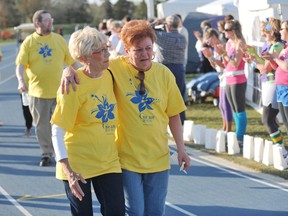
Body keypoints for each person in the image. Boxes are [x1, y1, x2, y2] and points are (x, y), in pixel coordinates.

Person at [62, 20, 191, 215]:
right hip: (126, 159)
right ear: (127, 50)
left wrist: (181, 148)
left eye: (149, 48)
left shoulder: (164, 74)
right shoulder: (114, 68)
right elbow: (89, 65)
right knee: (135, 212)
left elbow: (173, 113)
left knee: (155, 212)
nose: (145, 54)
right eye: (138, 50)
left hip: (158, 158)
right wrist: (68, 69)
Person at [50, 26, 125, 216]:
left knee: (116, 211)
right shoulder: (72, 85)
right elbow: (57, 131)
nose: (108, 54)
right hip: (77, 165)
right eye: (101, 51)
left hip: (108, 161)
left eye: (107, 48)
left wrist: (67, 68)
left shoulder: (110, 73)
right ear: (85, 57)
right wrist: (68, 171)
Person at [15, 10, 77, 167]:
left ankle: (60, 154)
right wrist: (21, 81)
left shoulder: (59, 40)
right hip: (37, 93)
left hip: (60, 92)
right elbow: (20, 66)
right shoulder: (29, 42)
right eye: (47, 20)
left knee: (60, 125)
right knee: (42, 126)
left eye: (51, 19)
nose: (51, 22)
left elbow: (72, 62)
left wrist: (83, 76)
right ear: (38, 23)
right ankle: (46, 153)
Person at [245, 18, 286, 156]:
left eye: (266, 31)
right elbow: (264, 66)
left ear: (273, 32)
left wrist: (254, 56)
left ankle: (281, 150)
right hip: (271, 84)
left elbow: (264, 69)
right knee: (270, 119)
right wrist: (253, 59)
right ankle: (281, 148)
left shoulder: (277, 46)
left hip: (274, 83)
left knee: (268, 119)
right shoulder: (274, 46)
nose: (263, 34)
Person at [215, 19, 247, 147]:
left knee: (239, 108)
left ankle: (240, 137)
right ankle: (236, 136)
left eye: (227, 29)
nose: (224, 32)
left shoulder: (240, 43)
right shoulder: (228, 43)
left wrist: (223, 53)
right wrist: (220, 55)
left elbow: (236, 63)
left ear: (234, 31)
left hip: (238, 79)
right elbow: (226, 63)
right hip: (228, 77)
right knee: (233, 108)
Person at [152, 14, 187, 125]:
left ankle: (165, 122)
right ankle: (181, 123)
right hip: (179, 68)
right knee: (179, 98)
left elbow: (147, 29)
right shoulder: (182, 38)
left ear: (167, 25)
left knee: (163, 97)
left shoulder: (162, 36)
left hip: (164, 68)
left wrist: (156, 22)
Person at [262, 20, 288, 164]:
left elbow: (286, 66)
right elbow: (276, 66)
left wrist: (274, 58)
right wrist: (272, 60)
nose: (280, 31)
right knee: (284, 122)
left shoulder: (281, 47)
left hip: (285, 88)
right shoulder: (284, 47)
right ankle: (283, 152)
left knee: (272, 119)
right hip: (280, 88)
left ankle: (283, 151)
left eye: (283, 29)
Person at [202, 28, 232, 133]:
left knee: (225, 105)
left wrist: (212, 57)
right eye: (207, 41)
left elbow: (224, 65)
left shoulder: (222, 47)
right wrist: (209, 57)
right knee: (221, 105)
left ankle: (228, 129)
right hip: (221, 78)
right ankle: (224, 127)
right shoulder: (215, 49)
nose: (208, 43)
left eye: (209, 40)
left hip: (226, 78)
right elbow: (215, 66)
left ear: (215, 37)